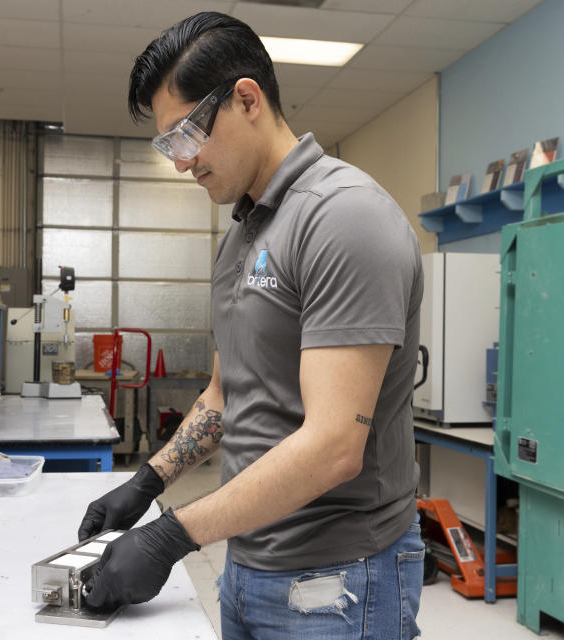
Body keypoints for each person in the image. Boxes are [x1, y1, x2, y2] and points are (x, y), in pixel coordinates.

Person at [77, 11, 425, 639]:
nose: (181, 163)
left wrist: (168, 537)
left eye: (186, 135)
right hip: (246, 559)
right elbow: (226, 393)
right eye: (168, 145)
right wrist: (148, 480)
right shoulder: (244, 231)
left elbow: (333, 447)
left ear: (246, 99)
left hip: (340, 581)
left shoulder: (345, 219)